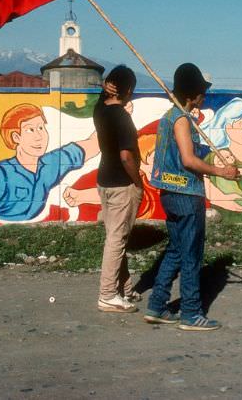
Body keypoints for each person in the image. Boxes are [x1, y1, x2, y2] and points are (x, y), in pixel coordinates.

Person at [144, 63, 239, 331]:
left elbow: (183, 155)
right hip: (186, 194)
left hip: (169, 193)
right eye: (201, 92)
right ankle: (191, 314)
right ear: (192, 94)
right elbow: (187, 160)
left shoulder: (169, 116)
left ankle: (157, 305)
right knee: (191, 256)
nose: (204, 96)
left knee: (175, 250)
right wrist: (222, 171)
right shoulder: (182, 119)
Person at [0, 103, 99, 224]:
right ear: (16, 137)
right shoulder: (0, 174)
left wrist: (117, 115)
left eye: (41, 128)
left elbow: (93, 144)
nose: (39, 137)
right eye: (30, 130)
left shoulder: (52, 163)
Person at [93, 66, 143, 313]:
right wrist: (137, 181)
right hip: (122, 184)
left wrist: (103, 91)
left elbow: (101, 100)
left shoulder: (100, 110)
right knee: (117, 238)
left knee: (117, 236)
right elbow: (126, 156)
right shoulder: (122, 117)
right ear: (129, 90)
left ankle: (124, 288)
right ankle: (108, 295)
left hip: (104, 179)